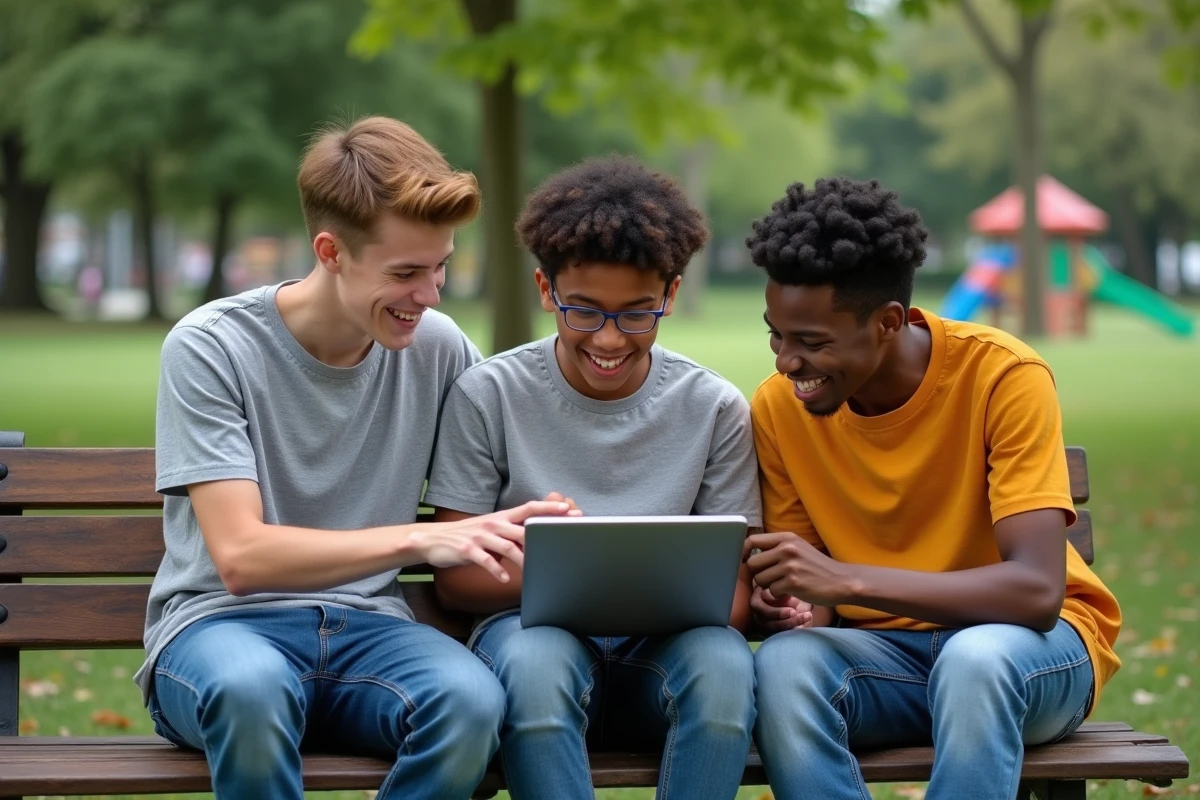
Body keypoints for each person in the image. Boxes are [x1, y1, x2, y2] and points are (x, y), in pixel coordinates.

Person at [134, 116, 574, 800]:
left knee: (470, 703)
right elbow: (241, 558)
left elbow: (505, 475)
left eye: (441, 268)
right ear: (331, 251)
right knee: (252, 691)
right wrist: (423, 538)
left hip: (371, 633)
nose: (429, 297)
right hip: (219, 631)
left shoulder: (438, 346)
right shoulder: (211, 347)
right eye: (405, 273)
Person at [741, 177, 1122, 800]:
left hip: (1029, 656)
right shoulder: (780, 408)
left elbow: (1035, 593)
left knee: (975, 662)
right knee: (784, 667)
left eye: (812, 342)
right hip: (887, 663)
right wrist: (798, 608)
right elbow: (817, 599)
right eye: (776, 335)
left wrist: (849, 580)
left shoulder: (1002, 376)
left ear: (888, 322)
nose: (786, 362)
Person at [424, 155, 762, 800]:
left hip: (664, 656)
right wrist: (604, 578)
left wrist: (567, 570)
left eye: (637, 313)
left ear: (670, 294)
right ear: (546, 290)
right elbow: (458, 577)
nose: (609, 339)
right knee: (535, 664)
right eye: (584, 311)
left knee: (722, 669)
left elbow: (733, 601)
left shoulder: (712, 406)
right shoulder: (487, 395)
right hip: (531, 640)